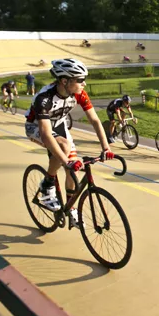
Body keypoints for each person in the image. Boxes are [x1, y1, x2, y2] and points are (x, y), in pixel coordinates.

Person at [24, 58, 115, 228]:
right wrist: (65, 161)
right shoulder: (44, 98)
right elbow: (45, 134)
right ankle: (47, 184)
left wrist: (106, 147)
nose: (84, 84)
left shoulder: (79, 93)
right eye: (80, 80)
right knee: (64, 149)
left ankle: (71, 207)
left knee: (73, 171)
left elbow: (95, 120)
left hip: (59, 126)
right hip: (36, 126)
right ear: (65, 81)